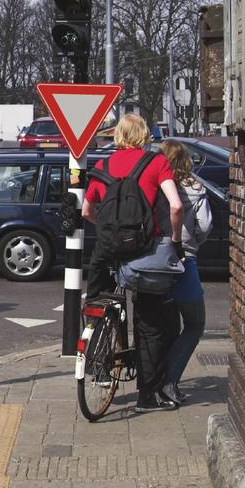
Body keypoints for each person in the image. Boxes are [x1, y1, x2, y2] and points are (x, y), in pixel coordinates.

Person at [82, 113, 184, 413]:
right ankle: (146, 396)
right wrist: (174, 241)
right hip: (144, 249)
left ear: (118, 136)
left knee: (97, 303)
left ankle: (98, 363)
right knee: (150, 322)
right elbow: (176, 206)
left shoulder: (102, 166)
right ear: (144, 135)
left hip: (107, 249)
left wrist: (109, 230)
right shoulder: (156, 163)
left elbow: (87, 210)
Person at [159, 140, 212, 405]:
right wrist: (192, 244)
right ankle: (169, 381)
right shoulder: (194, 187)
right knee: (194, 324)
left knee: (157, 324)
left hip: (152, 262)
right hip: (183, 260)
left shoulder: (155, 185)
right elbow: (206, 224)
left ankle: (152, 379)